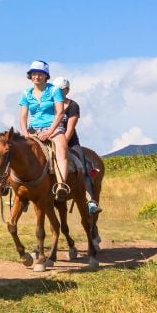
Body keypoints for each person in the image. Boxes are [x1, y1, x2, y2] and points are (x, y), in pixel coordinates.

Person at [18, 60, 70, 200]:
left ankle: (61, 186)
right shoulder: (26, 93)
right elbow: (23, 116)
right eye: (34, 74)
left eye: (40, 74)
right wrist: (25, 133)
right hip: (32, 130)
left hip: (53, 128)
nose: (36, 76)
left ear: (46, 76)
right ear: (30, 76)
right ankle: (5, 186)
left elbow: (60, 113)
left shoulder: (54, 90)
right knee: (14, 151)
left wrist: (49, 132)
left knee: (61, 149)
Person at [57, 77, 101, 214]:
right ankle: (23, 198)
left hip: (70, 141)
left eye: (62, 90)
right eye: (57, 90)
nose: (59, 92)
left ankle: (91, 201)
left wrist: (63, 144)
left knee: (84, 167)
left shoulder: (73, 106)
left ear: (67, 90)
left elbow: (70, 129)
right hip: (51, 140)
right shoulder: (49, 105)